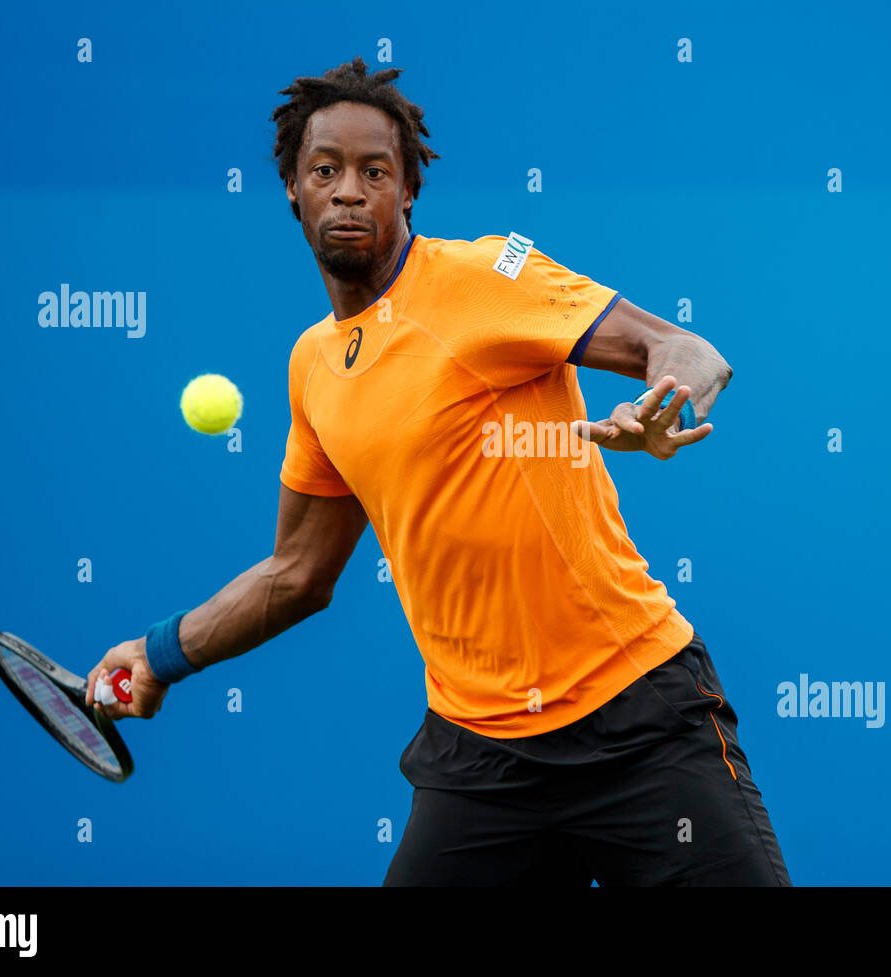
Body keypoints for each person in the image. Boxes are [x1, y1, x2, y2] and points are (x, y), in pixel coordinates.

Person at [86, 56, 791, 887]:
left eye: (374, 171)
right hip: (479, 762)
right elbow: (298, 572)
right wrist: (159, 654)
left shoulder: (489, 277)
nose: (349, 190)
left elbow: (683, 348)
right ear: (291, 191)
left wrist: (661, 399)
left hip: (639, 721)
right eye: (325, 170)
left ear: (407, 193)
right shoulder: (313, 366)